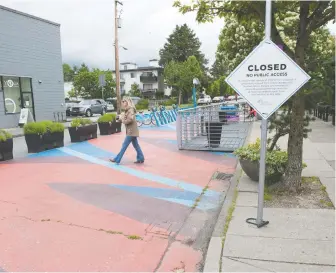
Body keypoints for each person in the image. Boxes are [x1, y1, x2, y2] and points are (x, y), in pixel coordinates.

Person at [109, 97, 145, 164]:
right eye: (122, 101)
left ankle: (117, 159)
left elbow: (130, 119)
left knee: (124, 146)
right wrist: (120, 118)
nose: (123, 103)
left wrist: (123, 120)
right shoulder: (127, 110)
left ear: (127, 102)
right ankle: (141, 158)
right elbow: (125, 117)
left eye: (124, 101)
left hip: (131, 131)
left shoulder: (130, 110)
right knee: (136, 145)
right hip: (132, 131)